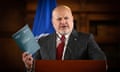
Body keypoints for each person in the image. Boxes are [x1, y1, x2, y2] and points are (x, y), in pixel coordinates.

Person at [22, 5, 107, 71]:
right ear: (52, 22)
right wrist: (29, 67)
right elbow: (36, 69)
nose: (63, 22)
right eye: (59, 19)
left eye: (66, 18)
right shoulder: (42, 41)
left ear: (72, 19)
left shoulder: (86, 39)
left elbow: (100, 64)